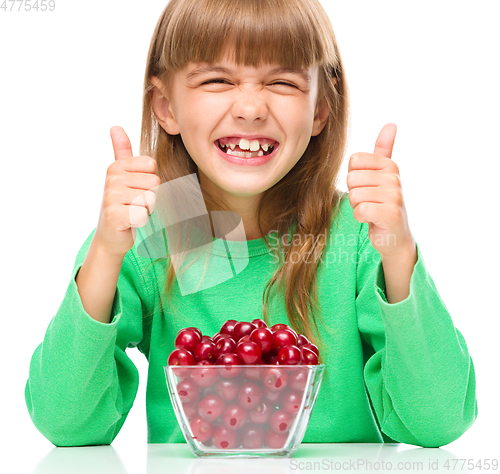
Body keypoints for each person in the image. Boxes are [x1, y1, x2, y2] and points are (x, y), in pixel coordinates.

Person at [25, 0, 477, 448]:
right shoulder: (149, 235)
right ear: (166, 106)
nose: (250, 108)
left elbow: (437, 421)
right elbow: (67, 424)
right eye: (218, 80)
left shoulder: (358, 237)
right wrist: (105, 253)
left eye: (281, 81)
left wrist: (398, 253)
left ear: (322, 109)